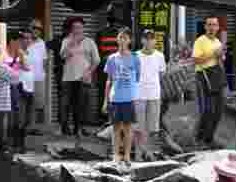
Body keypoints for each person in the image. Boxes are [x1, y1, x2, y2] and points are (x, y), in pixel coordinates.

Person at [103, 27, 140, 166]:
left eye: (125, 37)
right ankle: (116, 155)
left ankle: (127, 156)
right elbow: (109, 80)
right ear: (117, 39)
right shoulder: (112, 58)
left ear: (129, 40)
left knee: (128, 128)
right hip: (115, 98)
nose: (122, 40)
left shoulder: (135, 58)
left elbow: (137, 79)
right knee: (116, 128)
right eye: (120, 37)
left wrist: (136, 97)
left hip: (129, 98)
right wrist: (105, 100)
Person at [60, 17, 100, 136]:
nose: (77, 30)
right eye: (75, 27)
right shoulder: (66, 41)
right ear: (72, 29)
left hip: (83, 78)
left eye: (80, 27)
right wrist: (71, 44)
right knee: (66, 104)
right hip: (68, 78)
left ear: (83, 28)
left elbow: (96, 60)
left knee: (81, 105)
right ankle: (65, 129)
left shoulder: (90, 42)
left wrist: (89, 72)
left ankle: (78, 128)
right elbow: (62, 56)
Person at [193, 16, 226, 147]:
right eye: (209, 25)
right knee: (208, 110)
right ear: (205, 27)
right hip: (203, 76)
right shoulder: (200, 41)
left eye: (214, 25)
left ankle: (209, 138)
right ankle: (200, 138)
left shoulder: (218, 42)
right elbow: (195, 60)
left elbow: (219, 60)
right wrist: (213, 54)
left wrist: (220, 57)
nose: (212, 27)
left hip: (217, 75)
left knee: (219, 110)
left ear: (218, 27)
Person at [134, 29, 167, 161]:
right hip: (139, 95)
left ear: (155, 41)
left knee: (151, 127)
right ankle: (137, 153)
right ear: (142, 40)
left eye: (151, 38)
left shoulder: (160, 56)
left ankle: (147, 152)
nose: (149, 41)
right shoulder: (135, 55)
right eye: (146, 38)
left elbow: (161, 74)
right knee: (138, 127)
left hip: (154, 94)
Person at [4, 30, 29, 151]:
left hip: (17, 85)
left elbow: (27, 68)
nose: (21, 42)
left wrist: (21, 57)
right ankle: (7, 144)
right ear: (12, 41)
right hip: (5, 86)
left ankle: (18, 143)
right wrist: (14, 61)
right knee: (9, 115)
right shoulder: (3, 53)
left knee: (18, 115)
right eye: (19, 40)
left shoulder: (20, 53)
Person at [27, 20, 48, 126]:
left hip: (39, 77)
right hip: (26, 77)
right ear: (30, 28)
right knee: (27, 102)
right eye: (34, 28)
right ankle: (27, 125)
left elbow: (44, 60)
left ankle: (35, 126)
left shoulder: (42, 43)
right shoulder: (25, 41)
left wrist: (43, 73)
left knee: (38, 103)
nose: (37, 30)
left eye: (39, 29)